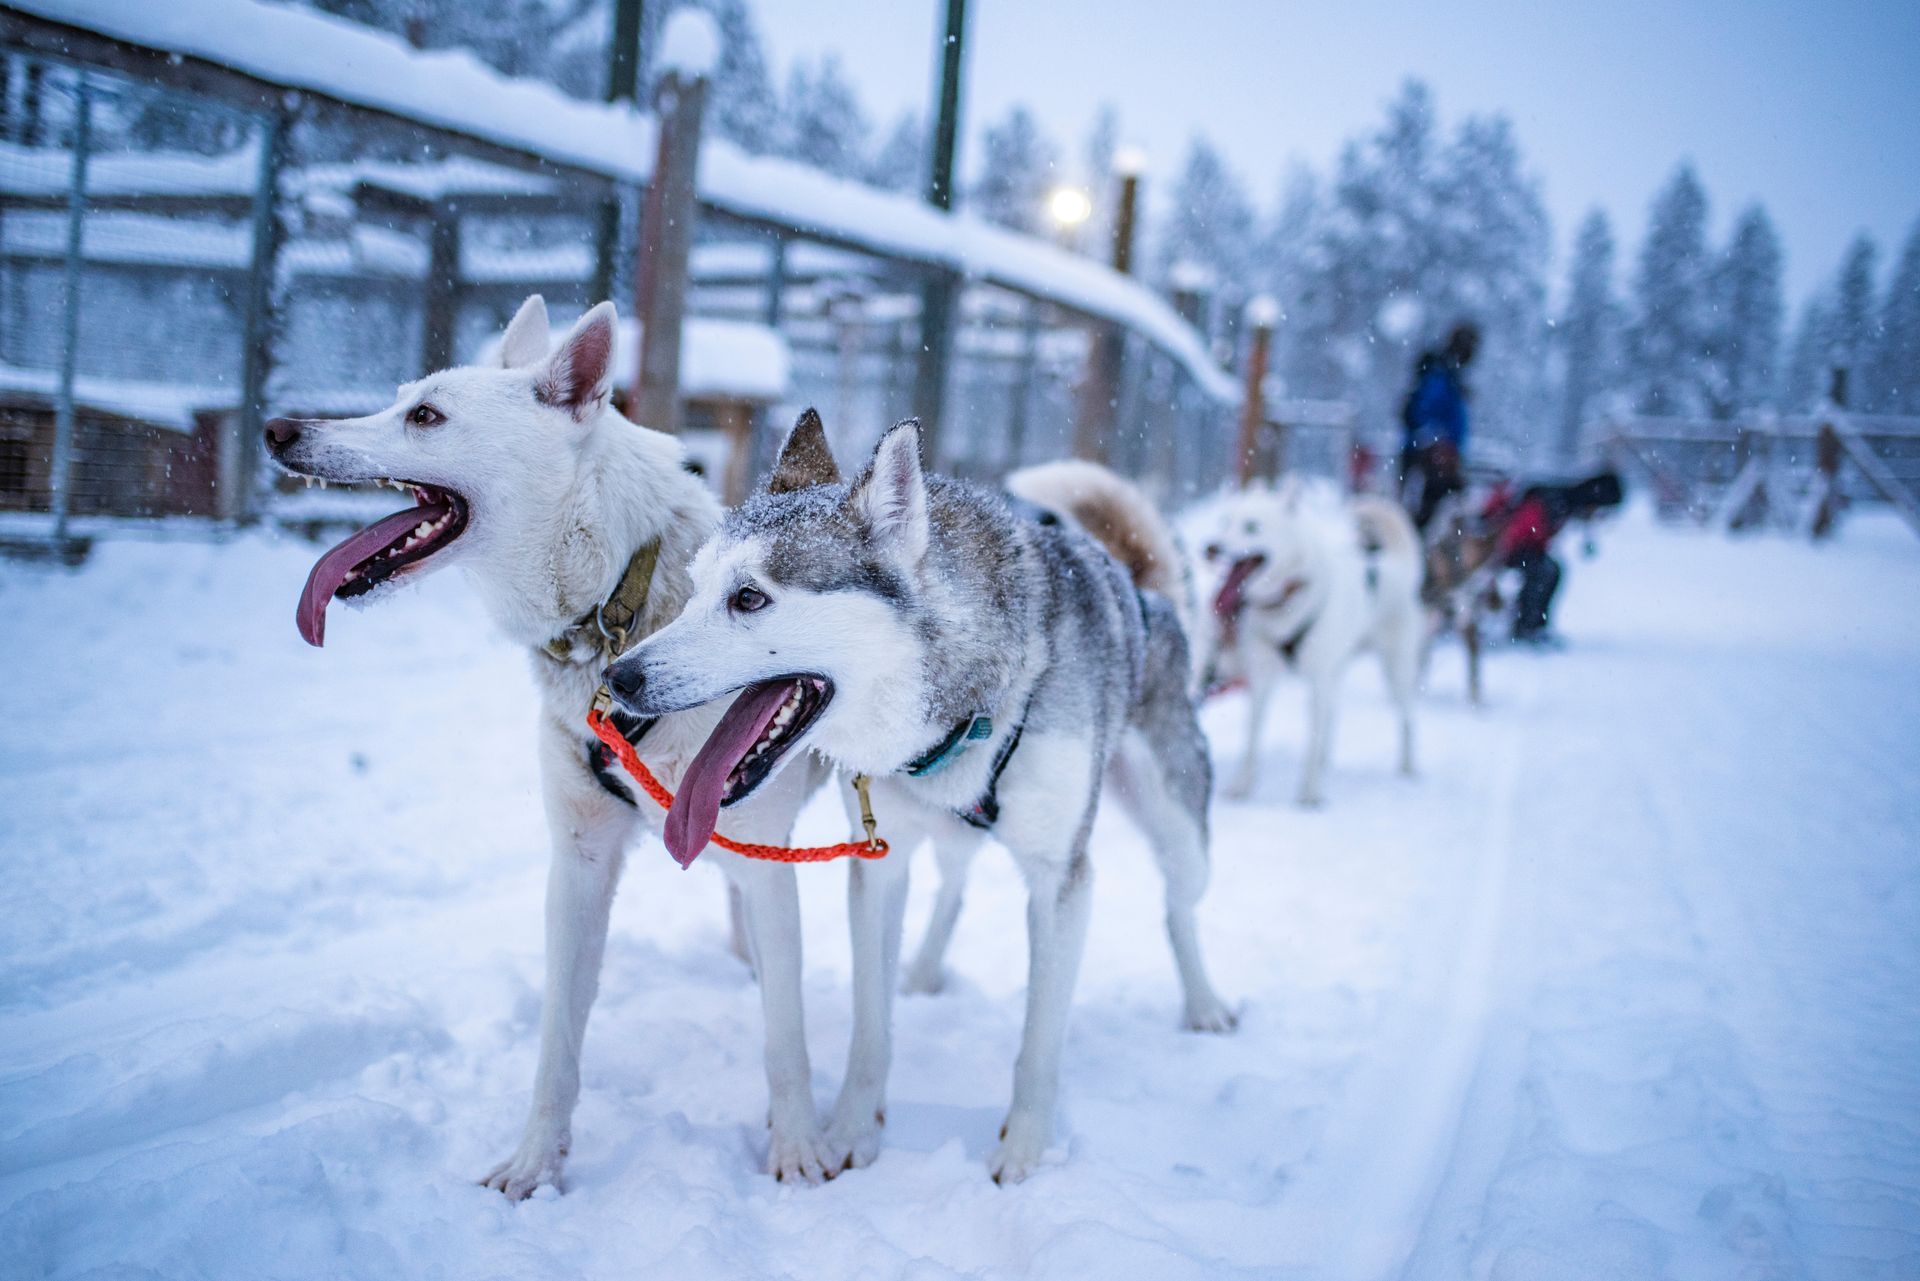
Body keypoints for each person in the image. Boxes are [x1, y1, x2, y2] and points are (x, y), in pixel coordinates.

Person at [1483, 469, 1624, 644]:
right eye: (1600, 510)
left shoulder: (1563, 501)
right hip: (1503, 547)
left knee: (1550, 569)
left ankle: (1533, 625)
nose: (1597, 516)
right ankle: (1526, 626)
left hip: (1514, 547)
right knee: (1544, 570)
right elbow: (1519, 530)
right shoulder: (1556, 501)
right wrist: (1505, 554)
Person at [1399, 323, 1479, 532]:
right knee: (1421, 517)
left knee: (1436, 513)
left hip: (1437, 462)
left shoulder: (1450, 376)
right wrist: (1437, 446)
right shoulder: (1439, 374)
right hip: (1429, 462)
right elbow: (1422, 414)